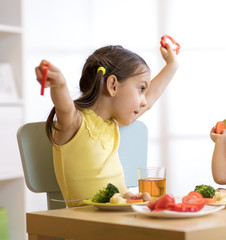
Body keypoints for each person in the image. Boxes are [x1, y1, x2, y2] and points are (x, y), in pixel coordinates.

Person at [35, 44, 179, 207]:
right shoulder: (74, 123)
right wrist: (59, 84)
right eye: (141, 89)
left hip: (119, 217)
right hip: (87, 223)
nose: (144, 100)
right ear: (113, 86)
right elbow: (64, 107)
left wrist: (172, 65)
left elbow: (150, 100)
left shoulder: (112, 124)